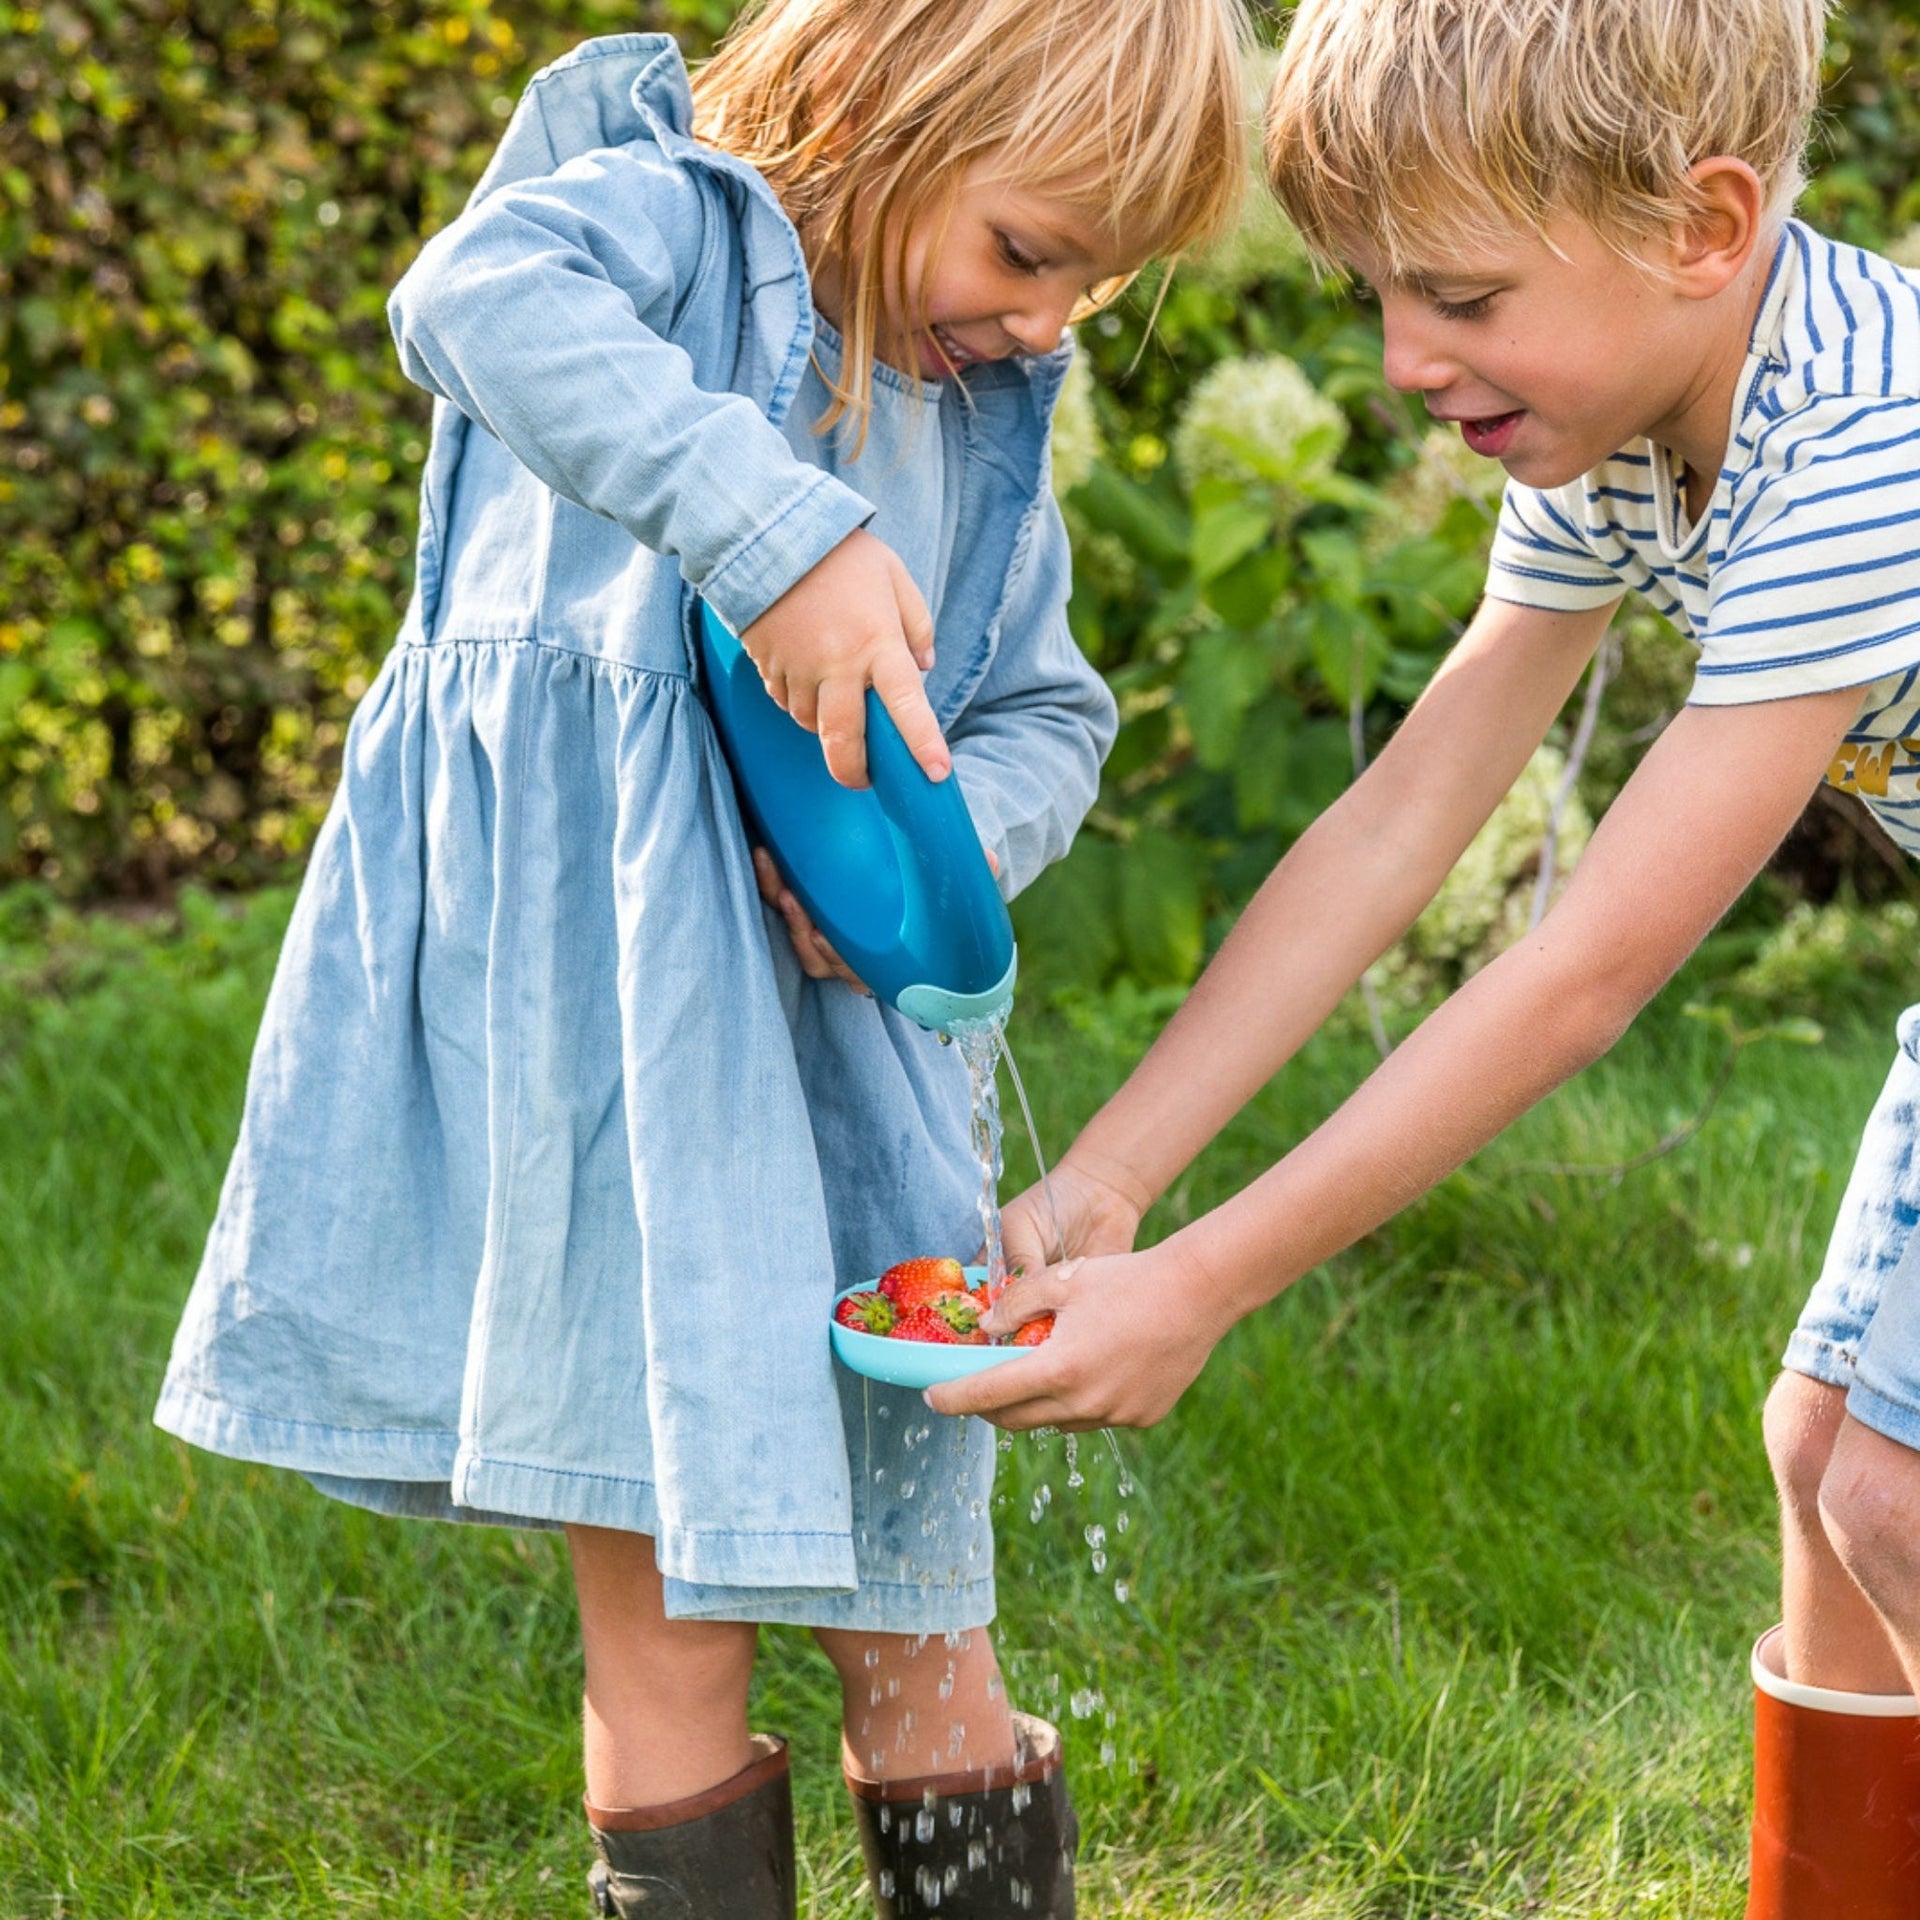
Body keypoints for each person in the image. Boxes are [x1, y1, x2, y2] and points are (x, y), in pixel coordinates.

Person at [152, 2, 1247, 1914]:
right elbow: (474, 296)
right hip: (613, 1074)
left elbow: (1050, 710)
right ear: (885, 100)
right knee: (663, 1617)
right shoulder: (668, 227)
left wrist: (934, 857)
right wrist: (776, 534)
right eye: (1027, 251)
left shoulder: (976, 415)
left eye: (1087, 284)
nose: (1045, 322)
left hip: (844, 1093)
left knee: (918, 1603)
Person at [929, 0, 1920, 1911]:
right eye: (1377, 293)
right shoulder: (1630, 423)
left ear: (1704, 226)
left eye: (1459, 296)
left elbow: (1585, 972)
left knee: (1901, 1495)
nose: (1403, 360)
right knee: (1824, 1461)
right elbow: (1401, 819)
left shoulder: (1870, 444)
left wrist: (1206, 1285)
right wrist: (1114, 1180)